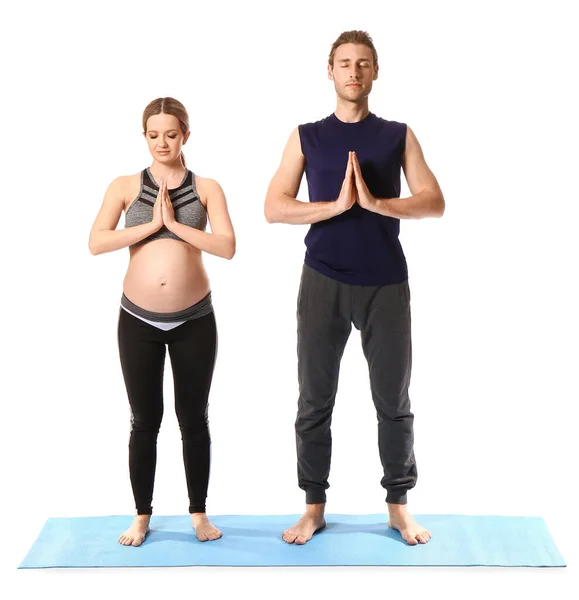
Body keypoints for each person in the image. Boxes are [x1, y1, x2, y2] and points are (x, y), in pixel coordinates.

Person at [264, 31, 445, 546]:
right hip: (322, 277)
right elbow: (274, 206)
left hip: (386, 281)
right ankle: (314, 507)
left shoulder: (397, 134)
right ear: (330, 71)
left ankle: (398, 506)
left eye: (363, 64)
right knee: (314, 400)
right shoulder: (306, 136)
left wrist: (379, 204)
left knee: (393, 398)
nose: (354, 72)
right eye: (345, 63)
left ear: (375, 71)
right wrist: (334, 207)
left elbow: (434, 200)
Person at [89, 97, 235, 546]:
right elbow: (96, 242)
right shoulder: (124, 186)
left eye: (171, 134)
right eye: (153, 135)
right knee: (144, 420)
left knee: (193, 419)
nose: (162, 143)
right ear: (145, 136)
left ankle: (198, 514)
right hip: (138, 320)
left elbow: (226, 246)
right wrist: (151, 226)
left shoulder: (207, 187)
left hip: (194, 319)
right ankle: (141, 516)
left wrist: (174, 223)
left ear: (185, 135)